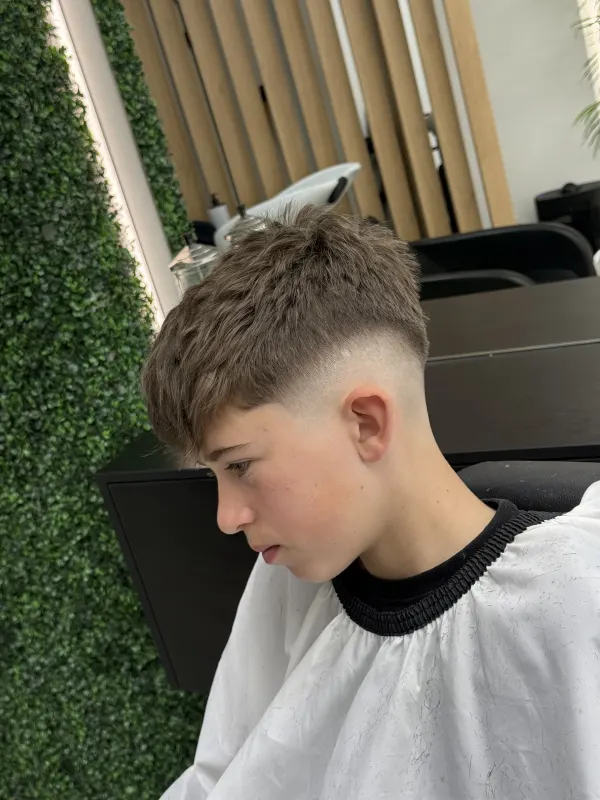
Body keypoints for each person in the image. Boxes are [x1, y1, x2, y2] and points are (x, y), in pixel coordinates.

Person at [142, 206, 600, 800]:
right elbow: (222, 776)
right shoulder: (288, 588)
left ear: (366, 423)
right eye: (215, 477)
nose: (228, 518)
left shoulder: (573, 601)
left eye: (240, 466)